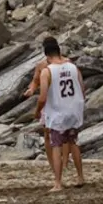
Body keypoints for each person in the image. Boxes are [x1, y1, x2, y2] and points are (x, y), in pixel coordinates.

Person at [35, 38, 86, 192]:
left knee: (56, 145)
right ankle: (80, 176)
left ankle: (58, 182)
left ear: (47, 56)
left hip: (58, 112)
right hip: (73, 110)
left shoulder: (47, 71)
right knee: (73, 142)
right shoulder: (72, 67)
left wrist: (37, 111)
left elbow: (43, 96)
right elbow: (82, 88)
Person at [24, 37, 73, 168]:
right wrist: (31, 89)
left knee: (63, 132)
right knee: (49, 133)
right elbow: (35, 80)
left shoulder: (66, 62)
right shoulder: (41, 65)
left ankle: (64, 161)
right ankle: (53, 163)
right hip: (51, 101)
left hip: (61, 100)